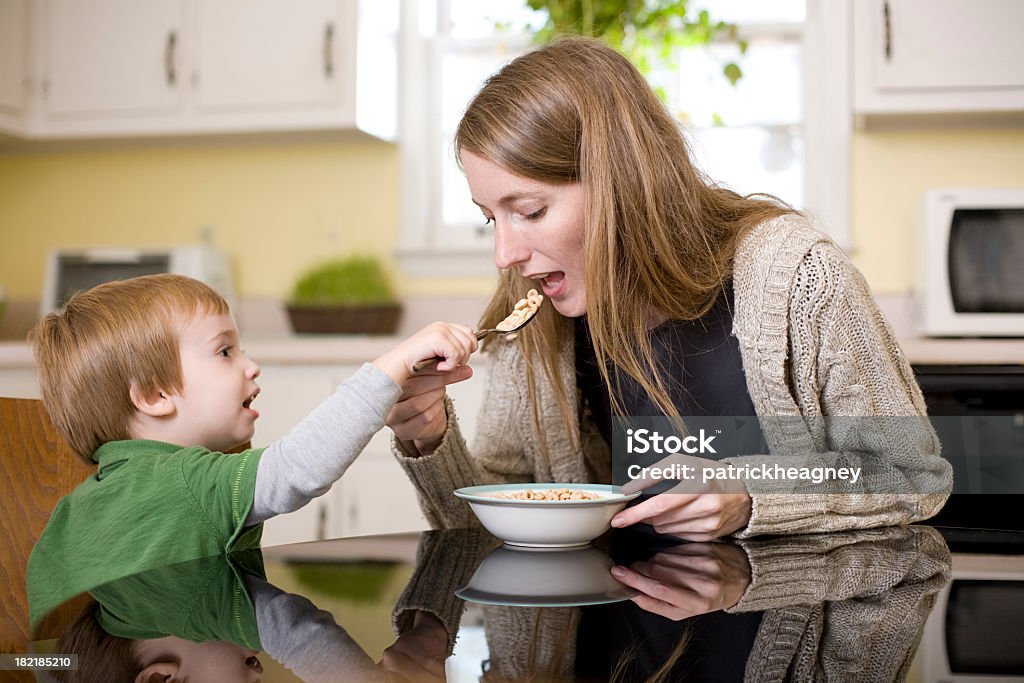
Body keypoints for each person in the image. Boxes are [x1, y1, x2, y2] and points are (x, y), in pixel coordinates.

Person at [386, 36, 953, 541]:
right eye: (491, 218)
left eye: (530, 211)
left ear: (620, 182)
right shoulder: (532, 307)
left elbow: (909, 472)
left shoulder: (800, 278)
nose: (504, 254)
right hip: (604, 655)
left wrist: (752, 490)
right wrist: (430, 442)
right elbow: (493, 521)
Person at [27, 273, 477, 627]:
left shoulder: (80, 505)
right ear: (154, 394)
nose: (251, 365)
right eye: (225, 352)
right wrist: (393, 367)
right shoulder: (184, 481)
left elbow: (44, 644)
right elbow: (299, 468)